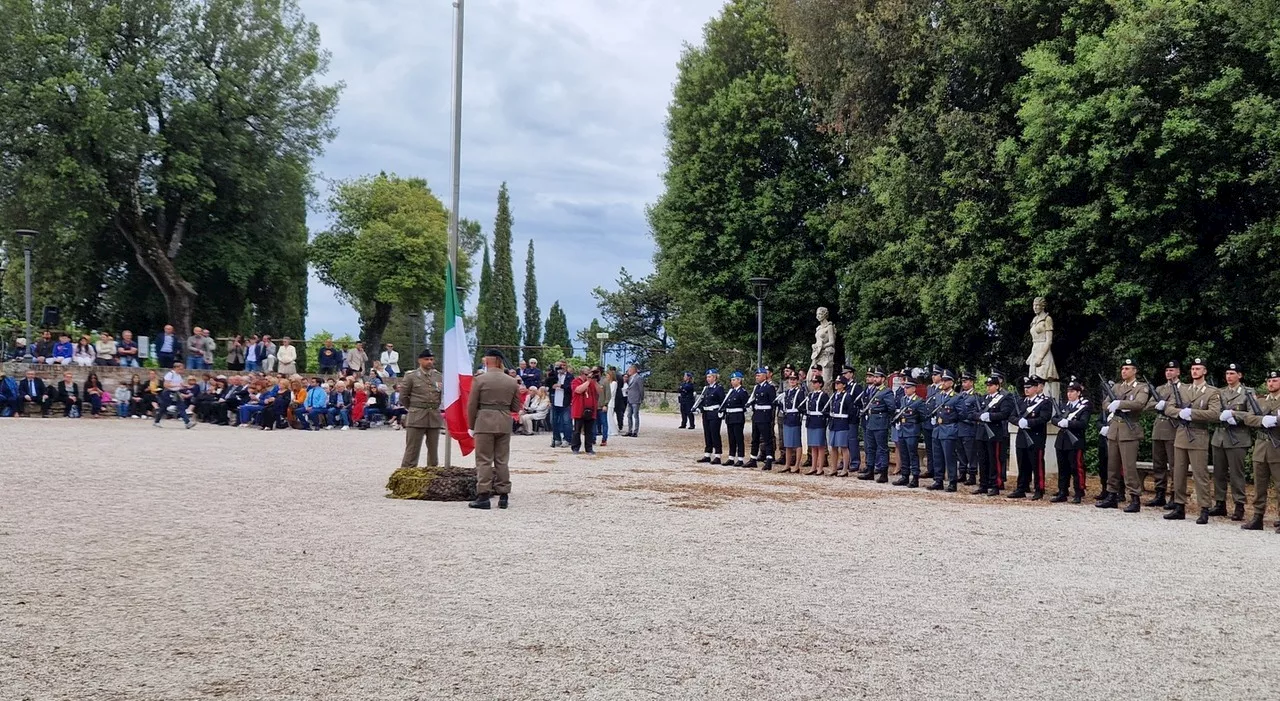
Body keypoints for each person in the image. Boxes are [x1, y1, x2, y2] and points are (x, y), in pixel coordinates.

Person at [1161, 357, 1222, 524]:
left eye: (1198, 369)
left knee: (1200, 474)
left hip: (1198, 435)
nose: (1195, 371)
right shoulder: (1183, 389)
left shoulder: (1212, 392)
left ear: (1205, 371)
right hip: (1181, 435)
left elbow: (1215, 414)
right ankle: (1179, 506)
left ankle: (1204, 508)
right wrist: (1179, 413)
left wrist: (1192, 413)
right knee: (1178, 473)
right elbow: (1169, 407)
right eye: (1193, 369)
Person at [467, 349, 523, 510]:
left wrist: (471, 425)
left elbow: (472, 405)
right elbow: (515, 406)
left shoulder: (480, 380)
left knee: (484, 459)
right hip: (504, 422)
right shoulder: (512, 381)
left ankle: (484, 495)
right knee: (502, 459)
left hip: (484, 421)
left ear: (488, 361)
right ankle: (503, 495)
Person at [1228, 369, 1280, 531]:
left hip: (1277, 447)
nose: (1271, 384)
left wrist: (1276, 420)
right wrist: (1263, 420)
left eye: (1275, 381)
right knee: (1259, 485)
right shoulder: (1261, 401)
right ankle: (1258, 516)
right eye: (1269, 381)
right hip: (1261, 447)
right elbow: (1249, 418)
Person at [1097, 359, 1151, 512]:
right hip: (1115, 429)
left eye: (1127, 368)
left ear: (1135, 371)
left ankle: (1134, 498)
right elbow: (1105, 404)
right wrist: (1112, 406)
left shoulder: (1141, 387)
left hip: (1129, 429)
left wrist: (1120, 404)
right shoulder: (1116, 387)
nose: (1124, 371)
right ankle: (1112, 495)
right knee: (1112, 466)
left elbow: (1140, 404)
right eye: (1123, 369)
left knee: (1128, 467)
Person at [1210, 362, 1249, 521]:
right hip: (1219, 437)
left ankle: (1239, 505)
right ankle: (1220, 504)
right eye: (1227, 374)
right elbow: (1212, 411)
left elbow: (1253, 414)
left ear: (1239, 375)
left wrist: (1235, 416)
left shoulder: (1247, 393)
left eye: (1232, 374)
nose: (1229, 377)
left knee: (1236, 475)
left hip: (1237, 437)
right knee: (1219, 473)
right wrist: (1219, 416)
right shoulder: (1220, 392)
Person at [1008, 375, 1052, 499]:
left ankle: (1039, 489)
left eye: (1029, 387)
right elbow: (1011, 416)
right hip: (1022, 437)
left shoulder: (1045, 402)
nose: (1026, 389)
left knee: (1036, 465)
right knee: (1022, 464)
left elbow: (1044, 418)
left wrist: (1028, 423)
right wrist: (1018, 422)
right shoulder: (1022, 401)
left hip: (1035, 437)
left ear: (1036, 388)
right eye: (1025, 387)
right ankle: (1021, 487)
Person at [1051, 379, 1093, 503]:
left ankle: (1079, 492)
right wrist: (1059, 422)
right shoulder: (1065, 405)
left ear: (1079, 393)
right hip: (1062, 441)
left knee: (1076, 468)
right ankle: (1062, 491)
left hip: (1075, 441)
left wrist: (1068, 423)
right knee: (1063, 468)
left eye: (1073, 391)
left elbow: (1083, 423)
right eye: (1068, 391)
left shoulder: (1084, 406)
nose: (1069, 394)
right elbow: (1054, 418)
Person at [1146, 361, 1181, 508]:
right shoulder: (1160, 389)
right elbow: (1147, 406)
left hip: (1173, 428)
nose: (1169, 373)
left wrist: (1165, 405)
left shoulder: (1184, 389)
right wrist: (1157, 405)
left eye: (1172, 370)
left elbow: (1182, 405)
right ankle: (1160, 493)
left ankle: (1175, 494)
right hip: (1159, 428)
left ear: (1178, 372)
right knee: (1158, 463)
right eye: (1167, 370)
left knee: (1174, 465)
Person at [401, 349, 444, 466]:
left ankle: (432, 474)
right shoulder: (411, 376)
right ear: (419, 360)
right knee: (412, 450)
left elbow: (440, 395)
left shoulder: (438, 376)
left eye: (431, 359)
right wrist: (413, 408)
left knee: (433, 450)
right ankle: (407, 475)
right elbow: (403, 396)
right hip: (417, 415)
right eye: (426, 359)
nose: (429, 362)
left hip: (434, 416)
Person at [976, 372, 1016, 496]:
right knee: (983, 460)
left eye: (991, 385)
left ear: (997, 386)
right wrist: (979, 416)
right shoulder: (983, 398)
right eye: (987, 385)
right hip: (982, 432)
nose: (988, 387)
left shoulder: (1004, 398)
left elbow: (1005, 413)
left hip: (994, 432)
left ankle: (995, 484)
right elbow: (973, 412)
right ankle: (983, 484)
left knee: (995, 460)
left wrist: (990, 416)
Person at [859, 367, 896, 483]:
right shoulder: (874, 390)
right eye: (874, 377)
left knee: (882, 448)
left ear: (883, 379)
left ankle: (884, 473)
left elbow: (892, 408)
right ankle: (870, 470)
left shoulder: (886, 391)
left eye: (877, 377)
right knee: (870, 448)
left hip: (880, 422)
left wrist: (884, 418)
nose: (875, 379)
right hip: (871, 421)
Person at [892, 373, 928, 488]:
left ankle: (915, 478)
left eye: (908, 388)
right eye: (905, 388)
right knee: (904, 454)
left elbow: (922, 417)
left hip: (912, 430)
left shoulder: (919, 401)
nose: (906, 390)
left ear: (913, 388)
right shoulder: (903, 400)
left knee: (912, 454)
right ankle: (905, 475)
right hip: (902, 429)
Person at [746, 368, 777, 470]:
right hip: (757, 415)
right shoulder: (757, 388)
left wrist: (769, 416)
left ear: (764, 376)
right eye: (756, 375)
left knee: (767, 439)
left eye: (759, 375)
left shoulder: (770, 387)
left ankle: (768, 460)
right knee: (755, 439)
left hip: (765, 416)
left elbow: (773, 403)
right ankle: (753, 459)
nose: (757, 377)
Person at [696, 369, 727, 464]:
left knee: (715, 434)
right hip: (706, 413)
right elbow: (703, 400)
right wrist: (699, 408)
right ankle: (707, 454)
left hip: (714, 413)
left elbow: (722, 401)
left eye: (709, 377)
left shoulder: (719, 388)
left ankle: (718, 455)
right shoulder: (706, 388)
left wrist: (722, 412)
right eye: (707, 377)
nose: (708, 379)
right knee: (707, 433)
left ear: (714, 377)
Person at [803, 376, 830, 475]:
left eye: (815, 382)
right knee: (813, 445)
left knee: (820, 445)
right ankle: (813, 466)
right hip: (811, 420)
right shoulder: (810, 395)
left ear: (820, 384)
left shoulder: (823, 395)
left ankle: (820, 467)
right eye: (813, 382)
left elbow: (826, 409)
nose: (813, 384)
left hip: (819, 421)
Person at [570, 366, 600, 455]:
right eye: (587, 374)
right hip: (579, 410)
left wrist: (594, 381)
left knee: (589, 431)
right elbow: (578, 390)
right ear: (582, 374)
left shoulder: (591, 383)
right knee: (577, 430)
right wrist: (588, 381)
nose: (588, 376)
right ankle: (575, 448)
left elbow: (599, 391)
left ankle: (589, 448)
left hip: (590, 410)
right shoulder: (575, 381)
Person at [722, 371, 750, 467]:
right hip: (730, 417)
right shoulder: (731, 391)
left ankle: (740, 458)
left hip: (737, 417)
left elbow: (744, 406)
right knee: (731, 438)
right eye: (732, 380)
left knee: (738, 438)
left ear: (739, 380)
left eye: (734, 380)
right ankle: (731, 457)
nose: (732, 382)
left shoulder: (742, 392)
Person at [827, 375, 854, 476]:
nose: (836, 385)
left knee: (843, 447)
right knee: (833, 446)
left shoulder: (846, 396)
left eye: (838, 383)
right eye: (836, 383)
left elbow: (850, 411)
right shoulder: (834, 395)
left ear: (843, 385)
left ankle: (845, 469)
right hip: (834, 422)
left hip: (842, 422)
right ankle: (834, 468)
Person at [154, 362, 194, 428]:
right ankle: (157, 421)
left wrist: (187, 386)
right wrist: (177, 385)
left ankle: (187, 422)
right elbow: (166, 385)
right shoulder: (170, 374)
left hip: (176, 393)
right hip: (168, 393)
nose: (182, 370)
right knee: (163, 407)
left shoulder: (179, 376)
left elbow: (181, 384)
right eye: (181, 369)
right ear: (176, 368)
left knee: (181, 406)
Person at [778, 374, 804, 473]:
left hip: (795, 417)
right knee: (787, 444)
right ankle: (787, 464)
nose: (792, 381)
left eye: (794, 379)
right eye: (790, 379)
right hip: (787, 417)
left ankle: (797, 465)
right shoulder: (787, 392)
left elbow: (801, 406)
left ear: (797, 381)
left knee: (797, 443)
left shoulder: (799, 392)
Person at [548, 361, 573, 448]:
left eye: (563, 365)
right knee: (554, 421)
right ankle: (557, 438)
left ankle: (567, 439)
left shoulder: (569, 376)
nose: (562, 367)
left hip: (565, 402)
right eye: (560, 366)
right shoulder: (554, 376)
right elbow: (547, 383)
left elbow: (570, 387)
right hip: (555, 401)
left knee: (566, 421)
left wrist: (560, 386)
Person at [623, 364, 644, 437]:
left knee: (635, 415)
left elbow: (641, 389)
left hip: (636, 399)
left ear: (633, 370)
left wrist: (641, 398)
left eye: (629, 370)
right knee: (629, 415)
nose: (628, 371)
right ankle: (629, 430)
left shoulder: (638, 378)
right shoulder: (630, 378)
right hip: (629, 398)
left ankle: (635, 431)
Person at [595, 367, 612, 446]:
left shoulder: (605, 381)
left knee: (604, 423)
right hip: (593, 406)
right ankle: (592, 438)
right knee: (593, 424)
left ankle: (604, 439)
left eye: (596, 371)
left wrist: (606, 404)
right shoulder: (592, 381)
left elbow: (608, 394)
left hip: (601, 406)